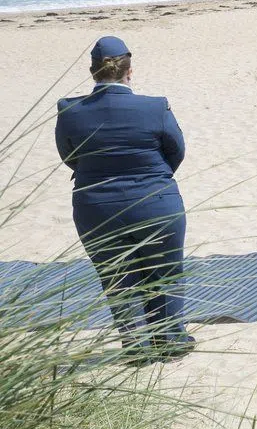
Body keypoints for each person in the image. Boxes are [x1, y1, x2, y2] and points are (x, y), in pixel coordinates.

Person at [54, 36, 193, 360]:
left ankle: (136, 347)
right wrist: (153, 178)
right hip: (156, 201)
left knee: (116, 277)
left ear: (93, 72)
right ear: (129, 71)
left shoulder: (69, 110)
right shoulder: (155, 106)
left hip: (96, 206)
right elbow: (176, 152)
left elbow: (69, 156)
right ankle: (169, 341)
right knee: (165, 272)